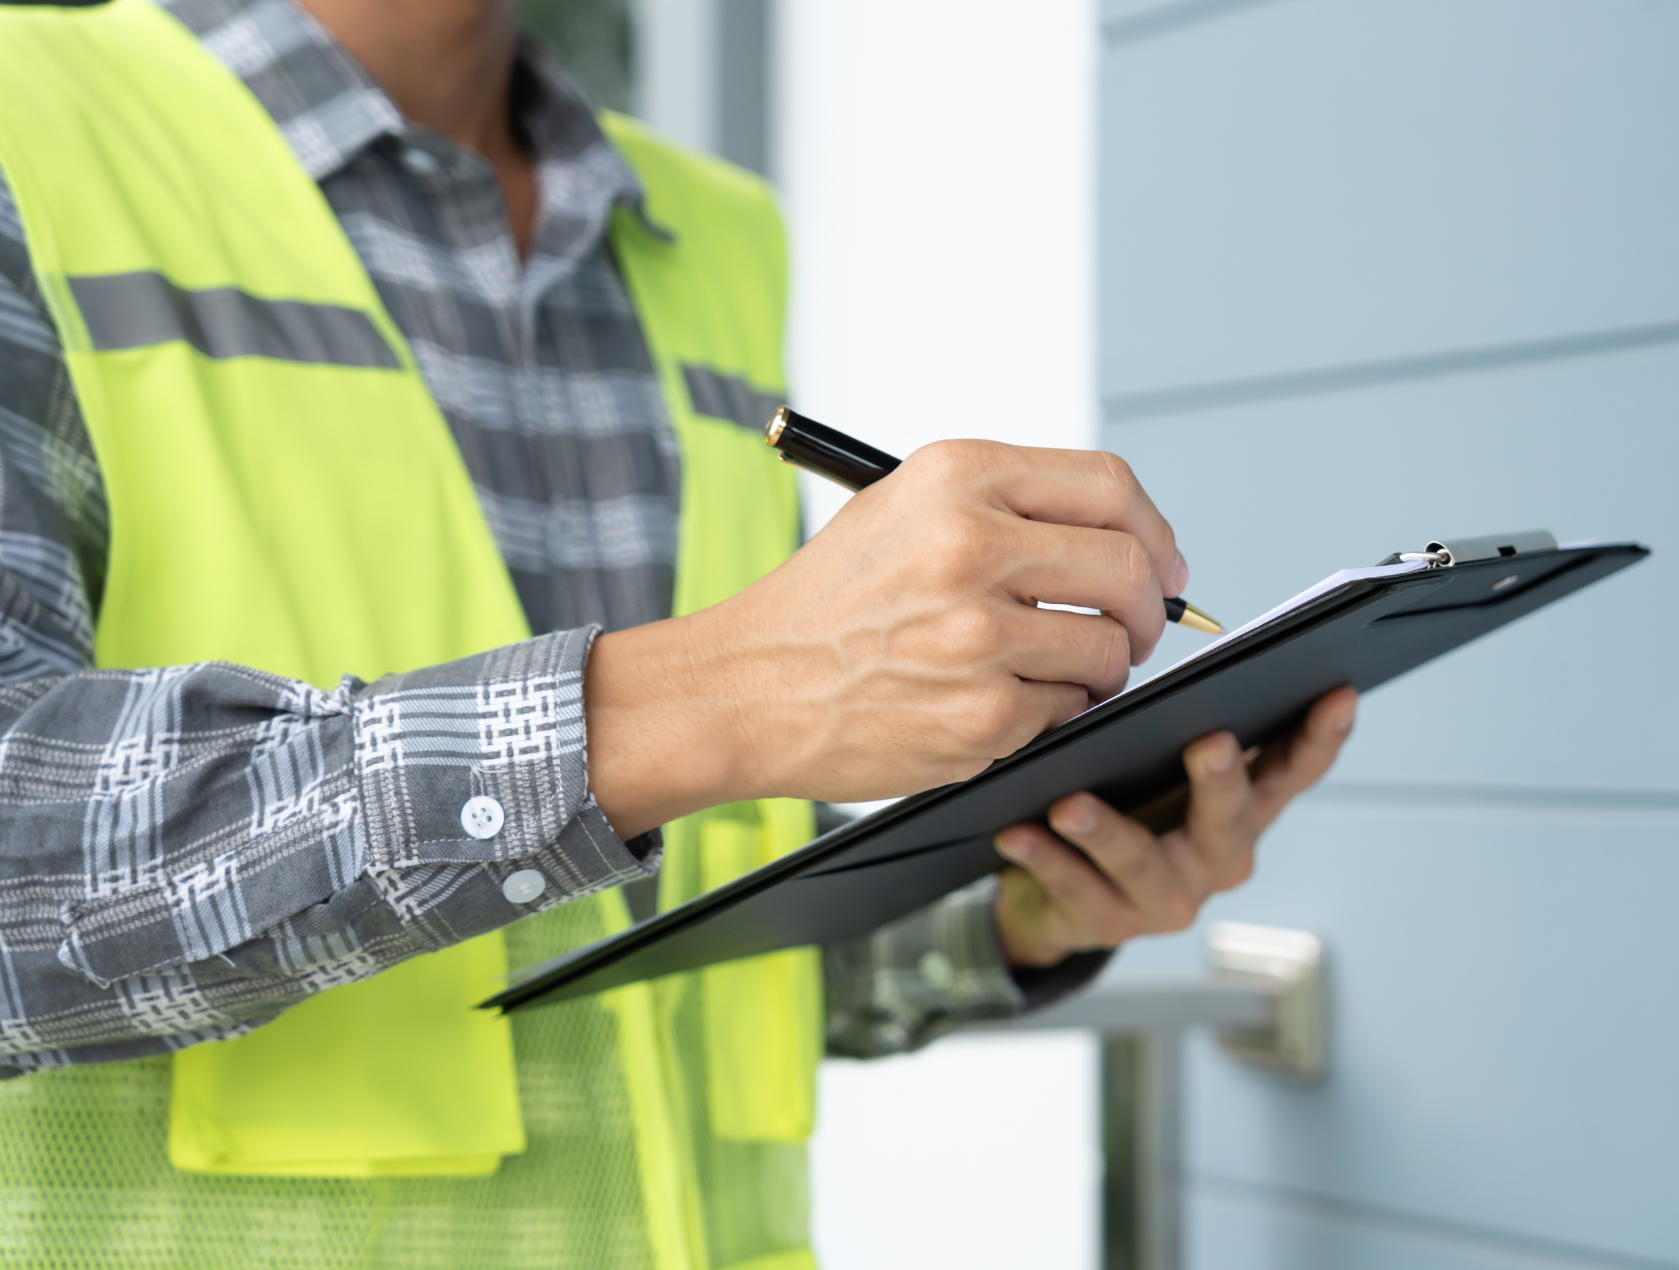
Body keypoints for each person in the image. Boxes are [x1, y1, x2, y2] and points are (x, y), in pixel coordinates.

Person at [0, 0, 1357, 1265]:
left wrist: (1022, 907)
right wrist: (701, 699)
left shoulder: (707, 235)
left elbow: (664, 934)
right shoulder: (30, 125)